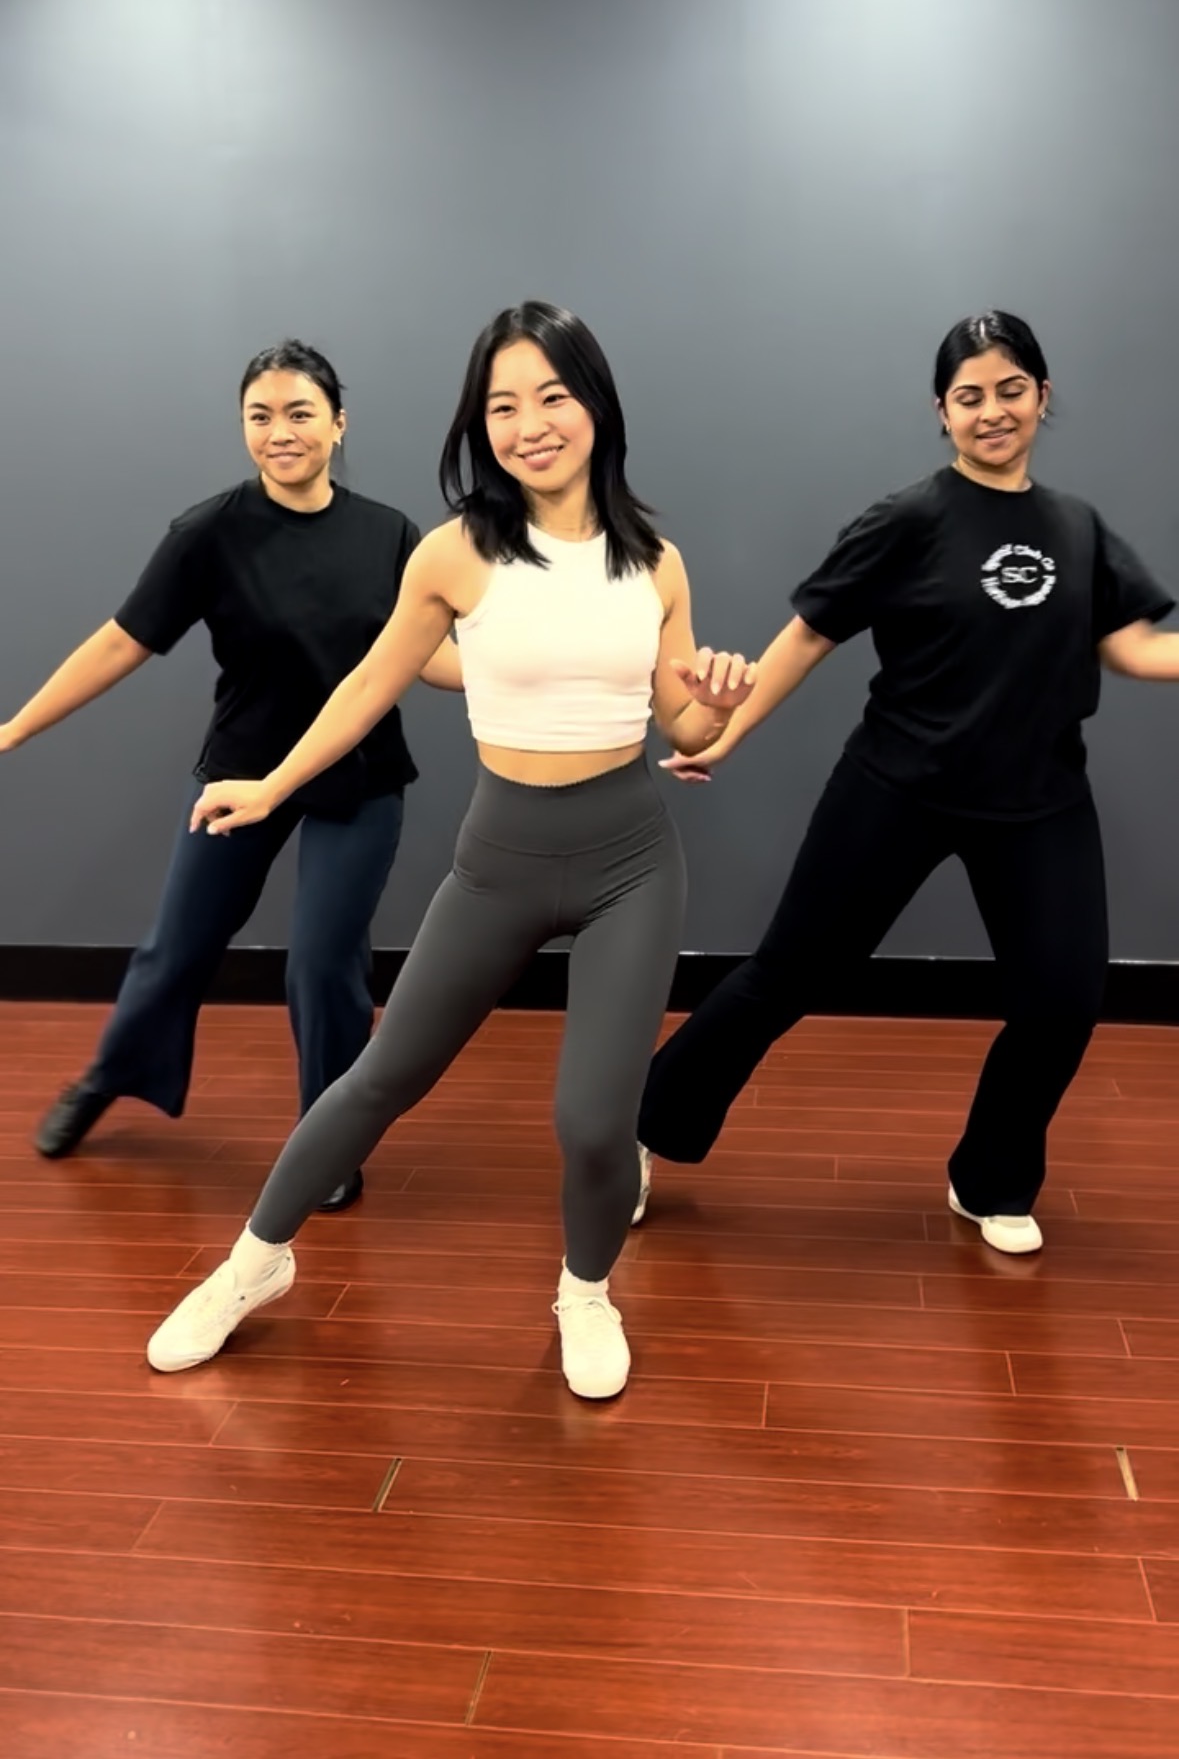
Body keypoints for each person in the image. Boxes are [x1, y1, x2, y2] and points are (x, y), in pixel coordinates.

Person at [146, 300, 754, 1397]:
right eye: (503, 405)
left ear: (596, 407)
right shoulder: (456, 554)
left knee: (593, 1118)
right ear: (481, 425)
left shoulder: (655, 560)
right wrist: (273, 783)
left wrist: (715, 707)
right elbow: (370, 684)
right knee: (379, 1077)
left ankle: (585, 1292)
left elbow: (684, 729)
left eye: (553, 397)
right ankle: (252, 1263)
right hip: (500, 856)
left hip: (628, 859)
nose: (531, 425)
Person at [637, 310, 1176, 1256]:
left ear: (1042, 398)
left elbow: (1129, 648)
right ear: (942, 413)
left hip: (1038, 799)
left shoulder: (1077, 528)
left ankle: (990, 1179)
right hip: (899, 783)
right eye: (969, 397)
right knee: (787, 975)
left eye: (1011, 390)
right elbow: (808, 634)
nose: (992, 411)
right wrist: (726, 735)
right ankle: (642, 1131)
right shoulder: (908, 520)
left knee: (1061, 997)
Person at [0, 340, 461, 1211]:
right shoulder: (207, 532)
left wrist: (534, 672)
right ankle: (106, 1079)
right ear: (244, 427)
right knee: (178, 949)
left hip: (354, 780)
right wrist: (16, 726)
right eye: (260, 416)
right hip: (240, 776)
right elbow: (119, 641)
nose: (279, 432)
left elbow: (427, 657)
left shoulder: (390, 534)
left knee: (325, 964)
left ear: (337, 422)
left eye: (298, 413)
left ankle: (327, 1139)